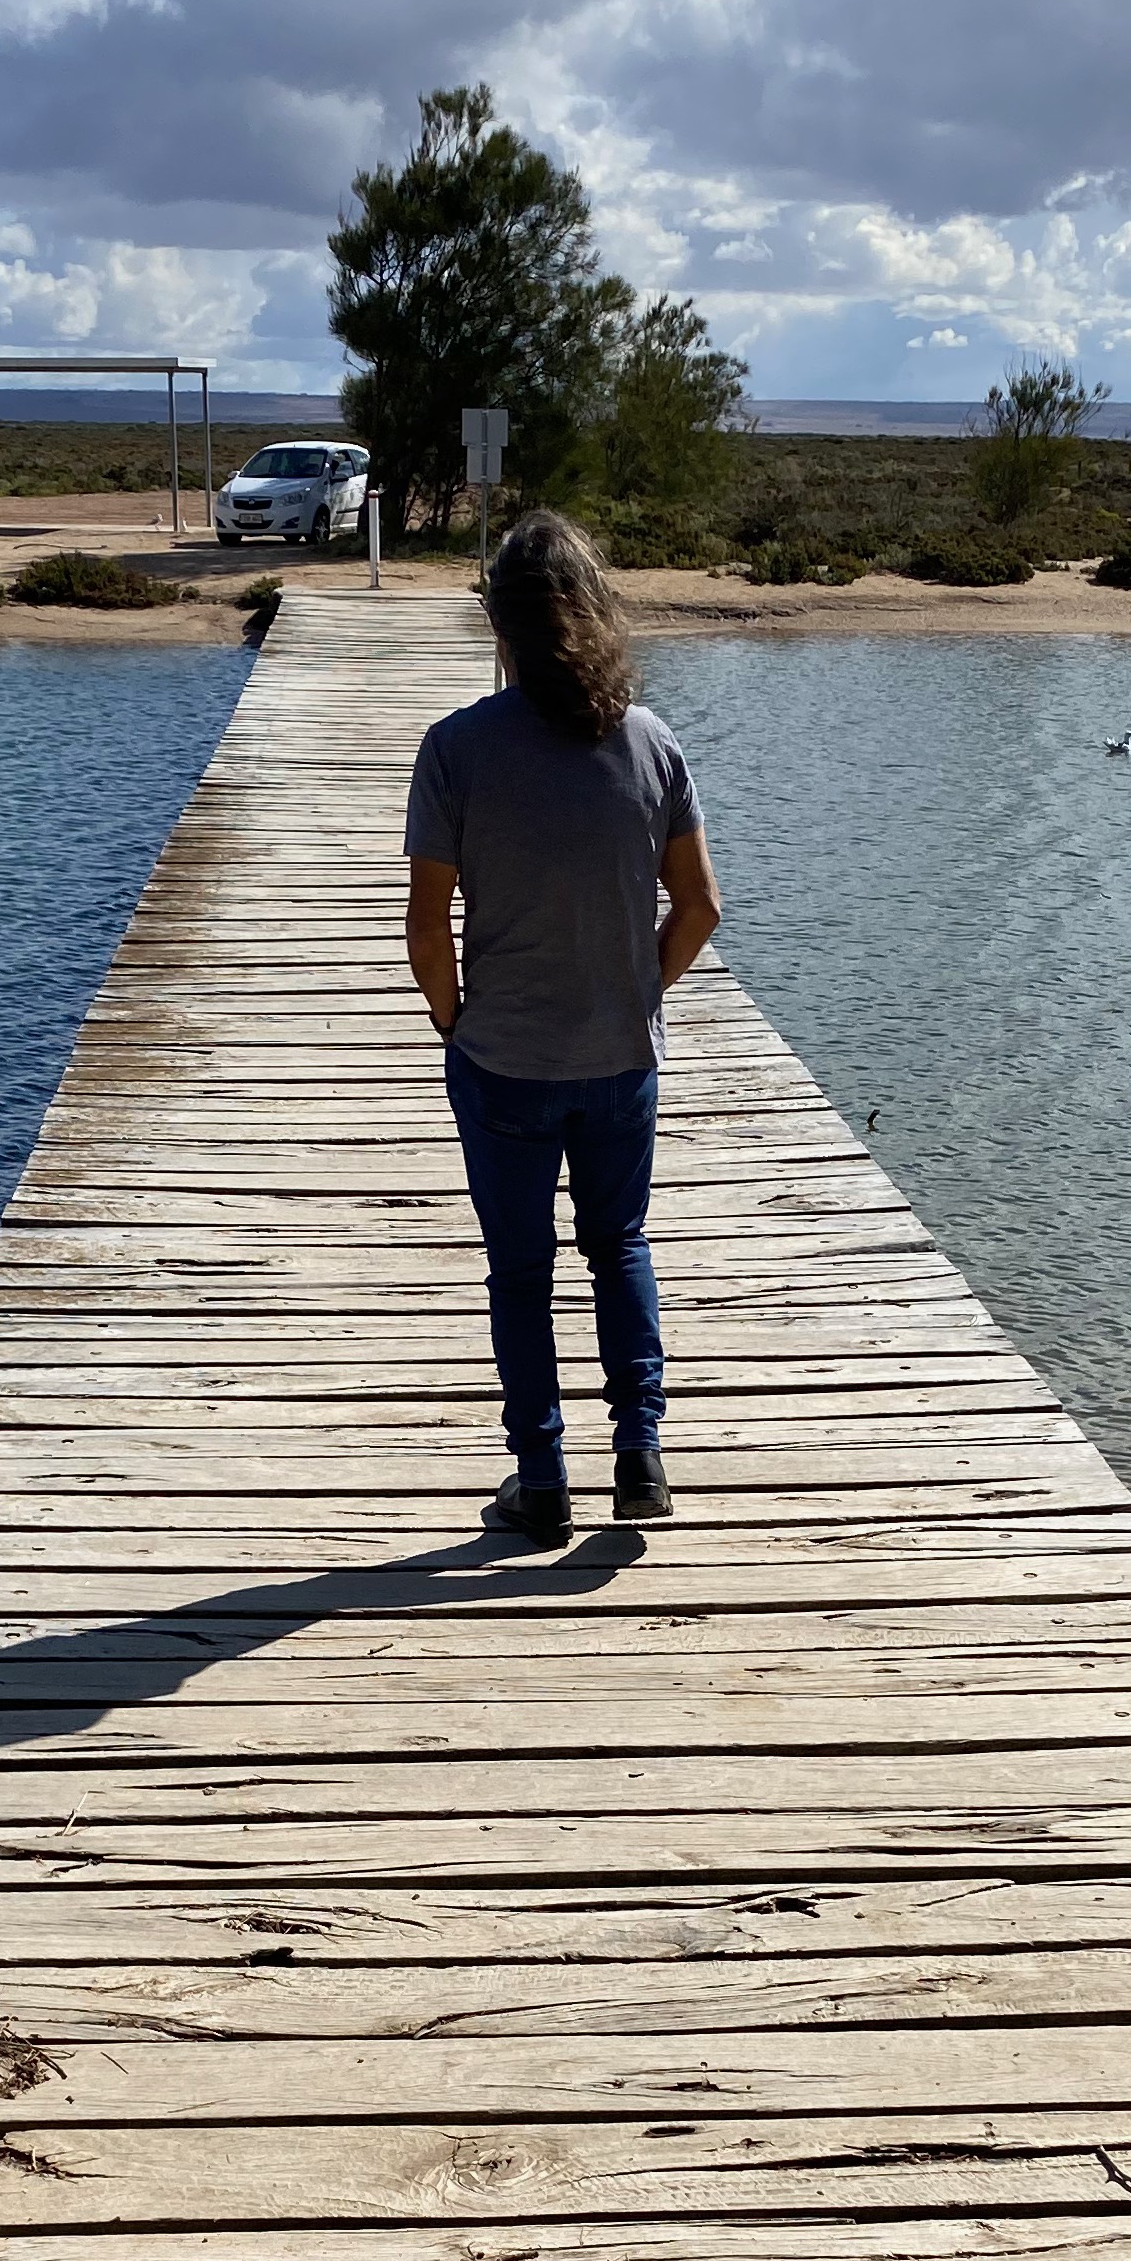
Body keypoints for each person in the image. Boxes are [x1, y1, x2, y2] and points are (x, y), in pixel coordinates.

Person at [403, 509, 723, 1544]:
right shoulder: (650, 742)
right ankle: (640, 1458)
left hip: (502, 1059)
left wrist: (456, 1025)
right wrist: (641, 992)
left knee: (521, 1268)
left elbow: (426, 925)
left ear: (498, 623)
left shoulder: (456, 748)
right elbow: (700, 908)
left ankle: (540, 1477)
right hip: (620, 1056)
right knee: (618, 1244)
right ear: (596, 613)